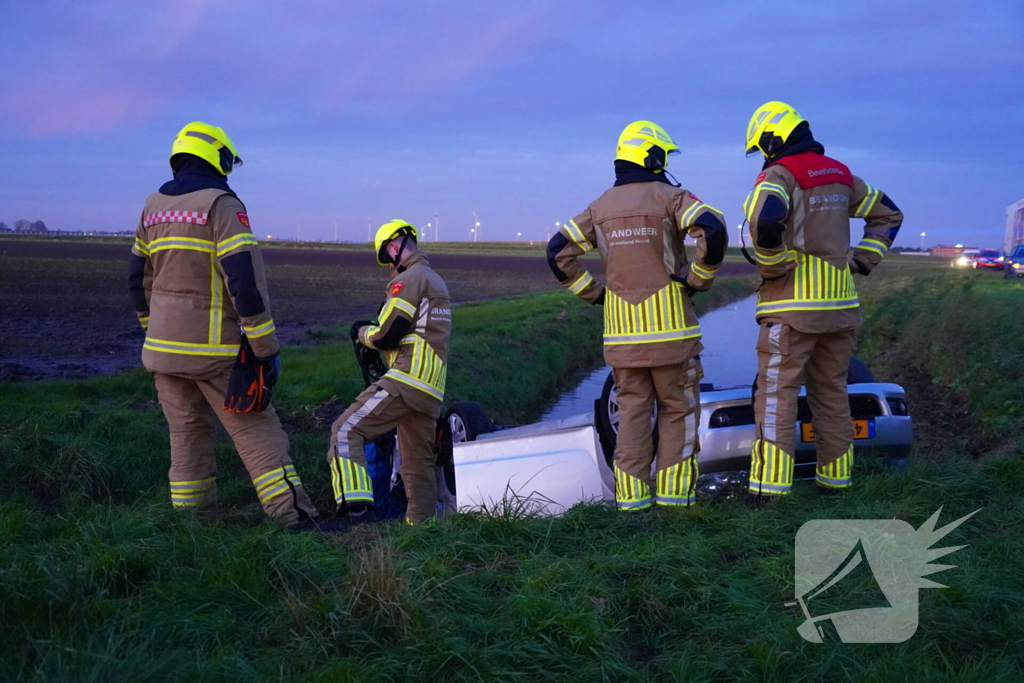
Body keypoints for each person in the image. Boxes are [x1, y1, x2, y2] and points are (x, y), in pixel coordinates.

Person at [128, 122, 335, 531]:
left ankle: (193, 527)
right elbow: (243, 279)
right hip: (213, 353)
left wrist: (153, 328)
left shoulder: (152, 206)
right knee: (259, 435)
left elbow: (137, 279)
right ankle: (295, 520)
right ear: (217, 156)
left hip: (163, 353)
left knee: (186, 439)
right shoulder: (221, 205)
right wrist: (265, 349)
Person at [547, 121, 728, 511]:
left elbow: (557, 252)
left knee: (631, 418)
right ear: (653, 156)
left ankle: (632, 507)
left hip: (623, 340)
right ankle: (675, 505)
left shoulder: (598, 207)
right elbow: (713, 228)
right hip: (672, 337)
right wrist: (697, 280)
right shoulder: (670, 197)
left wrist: (596, 295)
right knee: (678, 414)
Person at [742, 101, 903, 503]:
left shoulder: (779, 174)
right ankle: (835, 483)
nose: (763, 154)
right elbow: (889, 215)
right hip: (839, 309)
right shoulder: (842, 175)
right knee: (832, 396)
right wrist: (862, 260)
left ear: (773, 138)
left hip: (791, 310)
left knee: (776, 400)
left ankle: (769, 493)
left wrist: (772, 266)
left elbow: (765, 220)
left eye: (762, 146)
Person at [327, 220, 452, 526]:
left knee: (345, 431)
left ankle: (356, 512)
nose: (389, 266)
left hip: (405, 380)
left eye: (387, 257)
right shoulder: (436, 281)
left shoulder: (409, 279)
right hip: (430, 389)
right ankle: (423, 531)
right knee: (417, 466)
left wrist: (362, 333)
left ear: (394, 246)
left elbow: (387, 335)